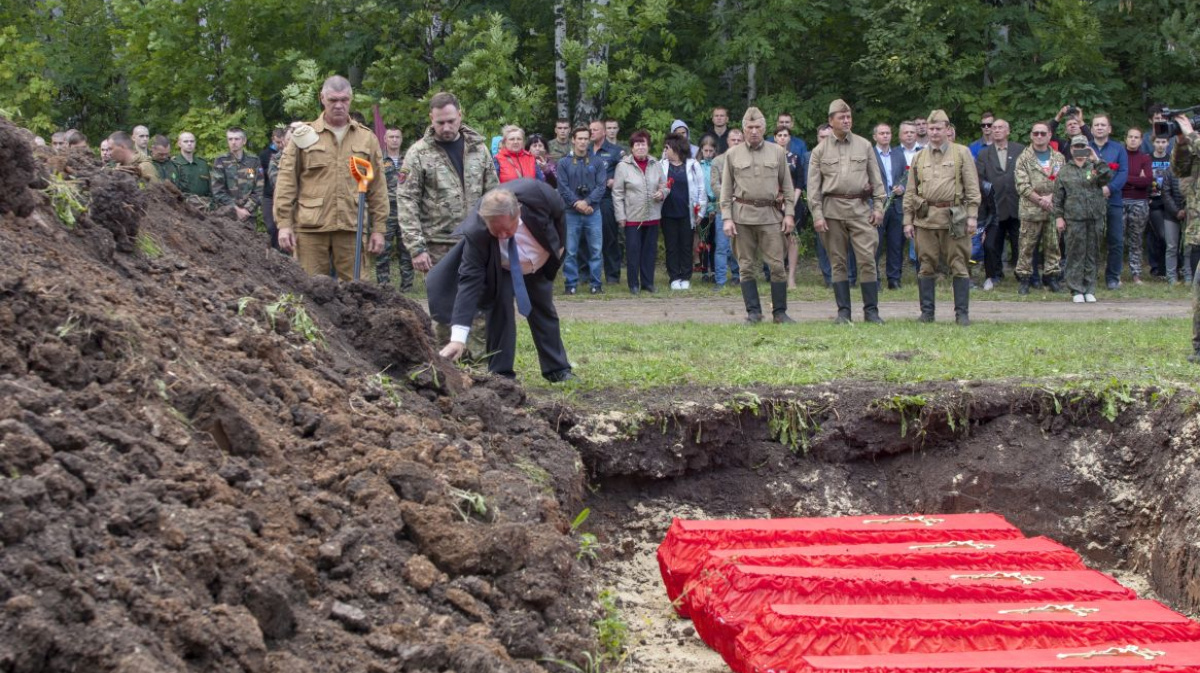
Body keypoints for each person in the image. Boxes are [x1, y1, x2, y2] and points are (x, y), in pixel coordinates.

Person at [427, 180, 575, 382]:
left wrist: (559, 245)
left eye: (508, 229)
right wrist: (458, 339)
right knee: (500, 309)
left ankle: (558, 370)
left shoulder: (539, 196)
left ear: (518, 213)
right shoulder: (477, 233)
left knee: (543, 309)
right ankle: (501, 374)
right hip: (502, 266)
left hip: (537, 261)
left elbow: (559, 215)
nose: (504, 236)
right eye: (496, 232)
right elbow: (469, 283)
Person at [273, 75, 389, 281]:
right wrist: (284, 225)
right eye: (333, 100)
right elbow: (286, 182)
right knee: (310, 290)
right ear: (322, 99)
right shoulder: (304, 135)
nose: (339, 105)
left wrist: (379, 229)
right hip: (310, 229)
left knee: (358, 290)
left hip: (351, 225)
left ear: (350, 100)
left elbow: (377, 187)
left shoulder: (366, 138)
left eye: (344, 100)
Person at [397, 91, 499, 272]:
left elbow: (493, 194)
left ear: (460, 115)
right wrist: (416, 248)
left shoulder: (478, 149)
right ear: (431, 118)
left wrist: (499, 233)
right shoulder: (418, 153)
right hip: (438, 247)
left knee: (479, 299)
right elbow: (407, 201)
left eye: (451, 121)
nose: (446, 127)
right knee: (444, 301)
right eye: (440, 123)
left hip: (477, 242)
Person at [808, 99, 886, 324]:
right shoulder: (819, 150)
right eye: (841, 117)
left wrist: (879, 207)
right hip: (832, 211)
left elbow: (876, 179)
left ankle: (871, 312)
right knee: (838, 262)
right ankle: (843, 313)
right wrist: (817, 215)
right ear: (831, 121)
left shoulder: (864, 145)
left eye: (849, 117)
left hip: (861, 210)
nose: (846, 121)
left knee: (867, 260)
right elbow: (813, 188)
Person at [903, 109, 981, 326]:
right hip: (925, 219)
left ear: (948, 130)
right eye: (931, 129)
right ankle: (927, 313)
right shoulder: (919, 156)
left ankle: (961, 314)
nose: (935, 132)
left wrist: (972, 216)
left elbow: (973, 188)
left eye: (939, 128)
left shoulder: (961, 153)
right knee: (925, 264)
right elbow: (911, 192)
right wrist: (907, 220)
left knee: (959, 264)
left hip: (954, 218)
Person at [721, 107, 796, 324]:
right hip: (742, 217)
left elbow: (788, 188)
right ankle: (753, 312)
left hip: (771, 216)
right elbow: (726, 190)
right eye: (749, 127)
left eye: (757, 127)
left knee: (777, 266)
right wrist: (727, 217)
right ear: (744, 129)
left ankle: (780, 313)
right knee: (745, 266)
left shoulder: (777, 152)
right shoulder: (732, 154)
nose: (754, 131)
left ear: (764, 128)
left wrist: (789, 214)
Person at [1054, 135, 1114, 303]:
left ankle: (1089, 288)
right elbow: (1058, 198)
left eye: (1083, 147)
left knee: (1092, 253)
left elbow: (1107, 177)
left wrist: (1097, 159)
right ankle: (1076, 289)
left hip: (1095, 217)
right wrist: (1059, 217)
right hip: (1074, 218)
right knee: (1075, 253)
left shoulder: (1094, 167)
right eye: (1076, 147)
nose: (1079, 151)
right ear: (1071, 149)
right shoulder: (1065, 170)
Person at [1014, 121, 1066, 294]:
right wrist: (1040, 200)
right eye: (1036, 133)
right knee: (1026, 247)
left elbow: (1062, 182)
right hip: (1031, 210)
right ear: (1031, 135)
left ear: (1050, 135)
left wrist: (1050, 198)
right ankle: (1024, 279)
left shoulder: (1059, 158)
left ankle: (1051, 278)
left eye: (1043, 133)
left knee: (1053, 246)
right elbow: (1022, 185)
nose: (1039, 136)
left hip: (1052, 210)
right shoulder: (1024, 158)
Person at [613, 129, 667, 294]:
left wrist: (662, 193)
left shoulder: (656, 164)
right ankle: (633, 284)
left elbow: (664, 185)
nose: (641, 147)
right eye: (637, 144)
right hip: (632, 217)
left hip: (652, 215)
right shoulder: (623, 166)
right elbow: (617, 193)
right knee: (633, 252)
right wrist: (620, 215)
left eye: (643, 144)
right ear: (632, 147)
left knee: (649, 252)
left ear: (648, 146)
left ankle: (648, 283)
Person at [557, 126, 607, 294]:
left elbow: (601, 187)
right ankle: (570, 284)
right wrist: (577, 203)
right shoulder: (564, 163)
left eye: (586, 138)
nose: (583, 142)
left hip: (593, 212)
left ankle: (596, 284)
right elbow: (563, 188)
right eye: (580, 138)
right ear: (573, 139)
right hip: (571, 213)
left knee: (596, 250)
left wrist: (587, 202)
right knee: (570, 251)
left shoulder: (597, 161)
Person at [975, 118, 1024, 289]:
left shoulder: (1020, 150)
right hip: (994, 206)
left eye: (1000, 127)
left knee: (1020, 243)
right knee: (992, 244)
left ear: (1008, 131)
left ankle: (1022, 275)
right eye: (994, 128)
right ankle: (994, 274)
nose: (996, 130)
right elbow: (980, 179)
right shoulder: (983, 154)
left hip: (1016, 204)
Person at [1170, 114, 1200, 362]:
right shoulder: (1194, 143)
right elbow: (1179, 169)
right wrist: (1181, 142)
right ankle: (1199, 348)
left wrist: (1190, 134)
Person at [1089, 113, 1129, 289]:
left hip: (1113, 200)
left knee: (1116, 240)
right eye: (1096, 125)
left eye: (1103, 125)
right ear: (1091, 129)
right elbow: (1082, 173)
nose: (1099, 127)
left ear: (1109, 129)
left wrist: (1109, 188)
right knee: (1090, 240)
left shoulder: (1118, 149)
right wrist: (1096, 188)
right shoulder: (1084, 148)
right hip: (1090, 201)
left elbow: (1123, 173)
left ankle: (1112, 277)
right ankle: (1089, 276)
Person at [661, 134, 707, 290]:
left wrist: (700, 213)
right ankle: (674, 277)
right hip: (667, 212)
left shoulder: (693, 164)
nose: (664, 150)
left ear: (675, 148)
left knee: (686, 246)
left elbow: (701, 189)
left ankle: (686, 276)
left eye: (667, 147)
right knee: (671, 246)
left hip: (687, 212)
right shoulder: (662, 164)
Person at [377, 125, 415, 291]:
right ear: (385, 139)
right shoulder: (378, 159)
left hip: (405, 210)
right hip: (386, 211)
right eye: (391, 137)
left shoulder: (409, 160)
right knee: (383, 250)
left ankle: (407, 286)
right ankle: (383, 285)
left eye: (397, 137)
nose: (394, 140)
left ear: (401, 139)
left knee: (406, 249)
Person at [588, 118, 625, 284]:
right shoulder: (584, 150)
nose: (591, 133)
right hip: (586, 200)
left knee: (609, 238)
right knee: (585, 238)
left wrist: (615, 180)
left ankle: (612, 275)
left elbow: (626, 172)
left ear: (603, 132)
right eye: (590, 130)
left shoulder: (616, 151)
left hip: (606, 199)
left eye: (595, 130)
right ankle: (585, 274)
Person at [873, 122, 907, 289]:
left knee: (896, 244)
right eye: (881, 133)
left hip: (896, 205)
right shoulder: (870, 155)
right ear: (875, 137)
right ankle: (875, 279)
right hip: (877, 205)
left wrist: (902, 188)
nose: (885, 136)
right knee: (875, 244)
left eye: (887, 133)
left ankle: (894, 279)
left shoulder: (899, 155)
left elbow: (906, 177)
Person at [710, 128, 743, 286]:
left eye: (739, 140)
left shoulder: (748, 159)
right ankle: (721, 280)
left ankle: (739, 277)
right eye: (733, 140)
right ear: (727, 141)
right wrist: (729, 198)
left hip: (744, 209)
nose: (736, 143)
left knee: (740, 246)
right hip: (722, 210)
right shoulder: (717, 161)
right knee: (722, 246)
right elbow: (715, 185)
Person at [1121, 127, 1154, 284]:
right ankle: (1116, 274)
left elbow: (1147, 181)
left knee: (1136, 239)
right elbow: (1114, 178)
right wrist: (1135, 179)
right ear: (1126, 139)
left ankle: (1136, 274)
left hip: (1140, 202)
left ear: (1141, 140)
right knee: (1118, 239)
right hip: (1120, 201)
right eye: (1130, 136)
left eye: (1136, 137)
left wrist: (1126, 178)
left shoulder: (1145, 158)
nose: (1133, 139)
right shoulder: (1119, 155)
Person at [211, 127, 262, 223]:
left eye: (237, 139)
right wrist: (235, 209)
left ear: (244, 141)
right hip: (227, 215)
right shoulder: (221, 161)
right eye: (230, 139)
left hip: (248, 215)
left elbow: (259, 188)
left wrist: (247, 209)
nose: (233, 142)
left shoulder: (253, 161)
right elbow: (217, 190)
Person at [775, 126, 805, 289]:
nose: (782, 138)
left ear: (789, 138)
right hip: (774, 203)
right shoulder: (769, 158)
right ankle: (779, 275)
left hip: (793, 203)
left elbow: (800, 181)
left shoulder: (795, 158)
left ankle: (791, 277)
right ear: (774, 138)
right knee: (776, 240)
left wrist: (791, 201)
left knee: (793, 239)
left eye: (785, 135)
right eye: (779, 135)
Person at [260, 127, 285, 250]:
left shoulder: (290, 154)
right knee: (271, 227)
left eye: (282, 142)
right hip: (269, 195)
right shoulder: (265, 155)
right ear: (272, 140)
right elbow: (254, 172)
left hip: (284, 196)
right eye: (277, 142)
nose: (280, 145)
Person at [171, 132, 211, 205]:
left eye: (192, 141)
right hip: (183, 207)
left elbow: (210, 188)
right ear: (179, 144)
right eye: (186, 141)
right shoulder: (173, 164)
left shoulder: (203, 164)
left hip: (204, 205)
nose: (189, 144)